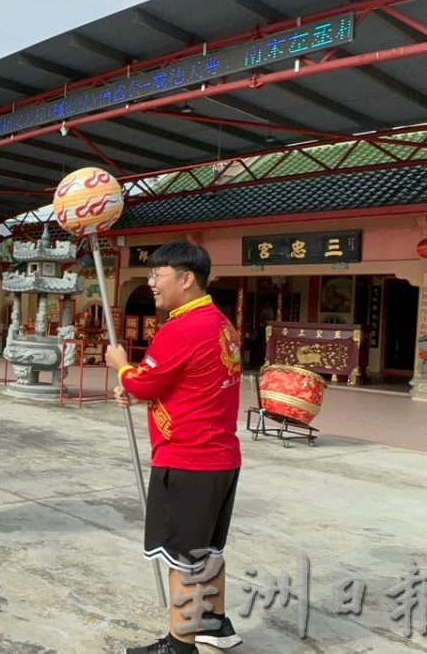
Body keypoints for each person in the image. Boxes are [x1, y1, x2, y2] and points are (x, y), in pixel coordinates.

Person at [103, 241, 243, 654]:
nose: (151, 284)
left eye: (157, 275)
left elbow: (145, 381)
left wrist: (121, 366)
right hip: (221, 458)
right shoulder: (219, 322)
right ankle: (214, 624)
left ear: (186, 279)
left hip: (188, 459)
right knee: (209, 551)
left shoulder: (182, 327)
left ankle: (179, 644)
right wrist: (140, 387)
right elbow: (182, 385)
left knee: (182, 558)